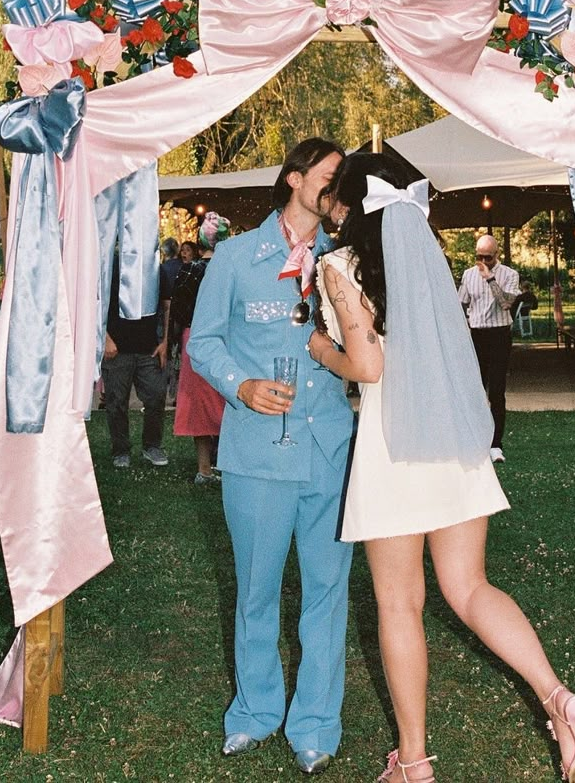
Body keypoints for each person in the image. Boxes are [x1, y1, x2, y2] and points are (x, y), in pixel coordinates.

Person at [309, 152, 575, 783]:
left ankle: (413, 763)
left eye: (336, 195)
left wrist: (323, 349)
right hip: (450, 442)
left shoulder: (338, 267)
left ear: (355, 204)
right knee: (469, 588)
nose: (328, 205)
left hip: (393, 447)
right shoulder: (428, 263)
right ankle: (560, 703)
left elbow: (368, 367)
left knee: (399, 604)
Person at [187, 138, 354, 776]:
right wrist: (242, 386)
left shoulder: (347, 259)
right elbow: (203, 342)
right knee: (257, 590)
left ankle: (315, 721)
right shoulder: (235, 257)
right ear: (294, 179)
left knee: (328, 590)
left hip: (329, 448)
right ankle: (256, 711)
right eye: (330, 177)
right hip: (257, 453)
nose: (337, 188)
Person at [171, 212, 231, 485]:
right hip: (225, 338)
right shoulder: (229, 268)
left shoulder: (188, 270)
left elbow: (179, 310)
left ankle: (204, 468)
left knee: (199, 404)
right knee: (227, 398)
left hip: (192, 338)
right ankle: (229, 464)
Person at [102, 256, 171, 468]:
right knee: (116, 401)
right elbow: (94, 301)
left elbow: (167, 305)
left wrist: (165, 341)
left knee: (156, 396)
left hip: (148, 348)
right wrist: (104, 338)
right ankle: (121, 450)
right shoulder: (110, 265)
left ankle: (151, 446)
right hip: (117, 349)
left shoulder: (154, 266)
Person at [457, 233, 519, 463]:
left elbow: (506, 303)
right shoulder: (468, 275)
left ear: (497, 255)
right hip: (477, 335)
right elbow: (460, 303)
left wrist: (491, 278)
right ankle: (475, 438)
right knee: (475, 389)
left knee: (496, 390)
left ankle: (495, 444)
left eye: (488, 257)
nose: (482, 261)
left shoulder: (509, 274)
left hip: (499, 334)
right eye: (478, 257)